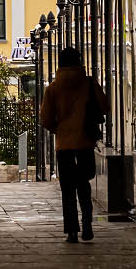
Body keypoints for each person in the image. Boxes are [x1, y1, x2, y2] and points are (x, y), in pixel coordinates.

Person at [40, 46, 109, 243]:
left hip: (64, 146)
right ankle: (87, 224)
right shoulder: (88, 83)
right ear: (79, 62)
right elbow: (104, 106)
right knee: (84, 184)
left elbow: (45, 118)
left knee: (67, 189)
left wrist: (59, 129)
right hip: (85, 142)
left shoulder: (53, 88)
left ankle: (71, 230)